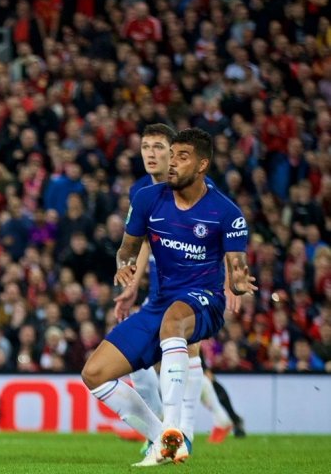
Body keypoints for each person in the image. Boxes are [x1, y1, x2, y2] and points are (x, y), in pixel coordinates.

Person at [81, 128, 256, 466]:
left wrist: (237, 282)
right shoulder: (147, 198)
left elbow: (236, 265)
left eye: (181, 156)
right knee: (95, 373)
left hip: (204, 299)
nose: (171, 162)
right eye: (170, 154)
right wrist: (126, 269)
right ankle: (163, 438)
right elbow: (128, 249)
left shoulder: (226, 212)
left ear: (202, 164)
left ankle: (177, 429)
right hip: (161, 300)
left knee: (175, 323)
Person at [116, 124, 244, 452]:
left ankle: (180, 430)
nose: (152, 154)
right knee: (157, 355)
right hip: (161, 281)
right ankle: (167, 426)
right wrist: (132, 283)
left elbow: (217, 240)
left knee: (186, 349)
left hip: (194, 284)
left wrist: (230, 281)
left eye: (160, 147)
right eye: (146, 147)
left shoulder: (200, 190)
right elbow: (141, 241)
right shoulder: (143, 192)